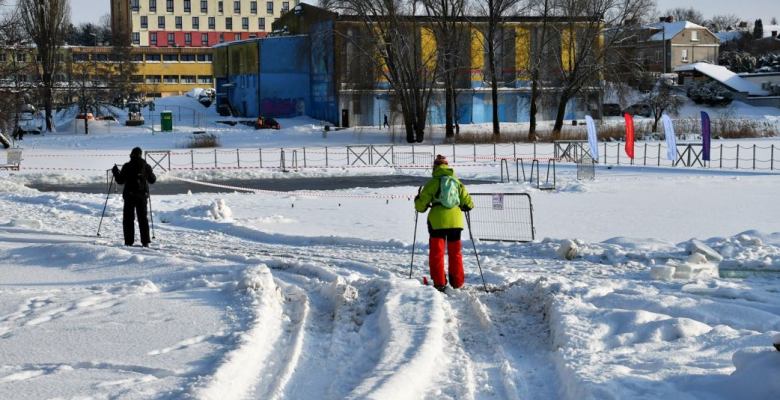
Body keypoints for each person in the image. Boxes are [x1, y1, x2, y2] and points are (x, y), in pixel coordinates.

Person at [414, 155, 474, 291]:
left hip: (437, 222)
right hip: (455, 222)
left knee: (437, 253)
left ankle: (440, 282)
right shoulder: (457, 182)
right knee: (455, 253)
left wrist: (417, 200)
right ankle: (457, 282)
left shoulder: (432, 183)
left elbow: (420, 207)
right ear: (447, 166)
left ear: (435, 167)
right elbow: (469, 204)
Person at [112, 147, 157, 247]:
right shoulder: (146, 166)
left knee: (128, 219)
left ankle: (129, 241)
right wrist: (149, 172)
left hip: (129, 196)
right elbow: (152, 180)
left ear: (131, 155)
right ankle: (145, 242)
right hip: (142, 196)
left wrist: (115, 172)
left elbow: (120, 181)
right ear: (141, 155)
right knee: (143, 219)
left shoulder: (127, 166)